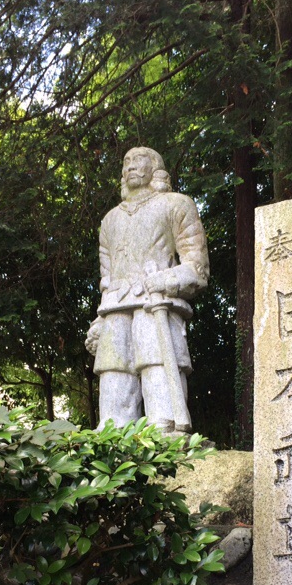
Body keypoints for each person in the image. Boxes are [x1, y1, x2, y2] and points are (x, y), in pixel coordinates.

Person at [85, 146, 209, 433]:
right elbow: (107, 279)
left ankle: (165, 429)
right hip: (115, 306)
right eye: (126, 161)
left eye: (138, 160)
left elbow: (197, 267)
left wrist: (167, 280)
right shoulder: (110, 220)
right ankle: (112, 436)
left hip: (157, 302)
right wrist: (99, 321)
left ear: (155, 167)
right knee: (113, 369)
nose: (130, 166)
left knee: (157, 362)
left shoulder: (176, 204)